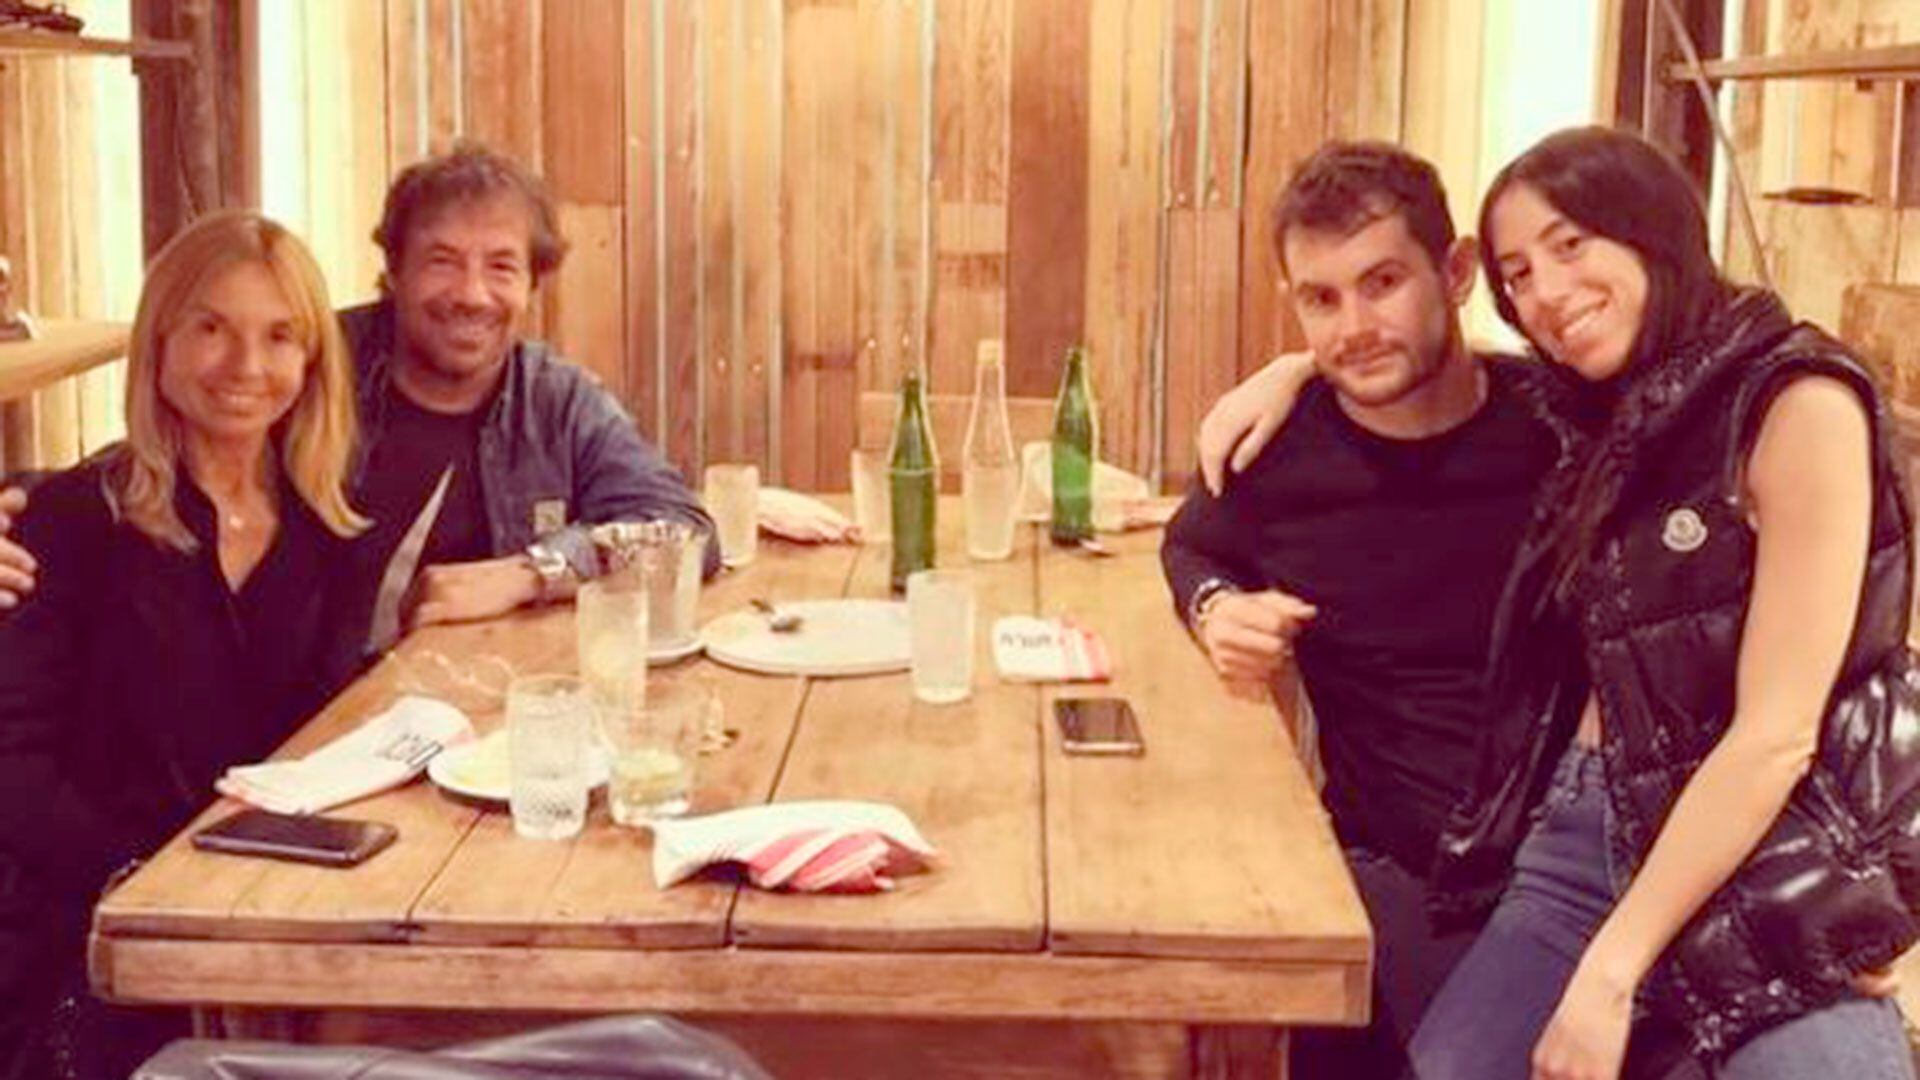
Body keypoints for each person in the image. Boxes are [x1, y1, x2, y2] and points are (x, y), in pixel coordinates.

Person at [1202, 127, 1919, 1079]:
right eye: (1521, 274)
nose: (1548, 293)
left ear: (1652, 226)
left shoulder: (1798, 400)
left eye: (1571, 245)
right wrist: (1300, 370)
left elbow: (1777, 737)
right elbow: (1438, 377)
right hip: (1585, 832)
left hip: (1763, 840)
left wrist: (1612, 975)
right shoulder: (1596, 402)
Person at [1160, 141, 1576, 1077]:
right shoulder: (1275, 451)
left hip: (1569, 872)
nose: (1354, 327)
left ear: (1456, 273)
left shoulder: (1563, 428)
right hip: (1392, 866)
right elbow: (1188, 546)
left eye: (1382, 283)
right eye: (1321, 299)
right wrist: (1215, 607)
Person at [0, 142, 717, 650]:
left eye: (501, 267)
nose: (472, 294)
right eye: (442, 261)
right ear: (393, 269)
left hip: (473, 715)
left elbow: (683, 529)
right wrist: (23, 511)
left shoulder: (556, 400)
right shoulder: (312, 360)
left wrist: (533, 572)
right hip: (296, 721)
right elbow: (166, 455)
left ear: (532, 285)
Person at [0, 211, 369, 1079]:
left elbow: (320, 740)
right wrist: (141, 879)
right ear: (159, 342)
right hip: (89, 931)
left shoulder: (328, 528)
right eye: (211, 328)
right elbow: (10, 763)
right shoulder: (73, 518)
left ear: (312, 362)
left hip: (271, 913)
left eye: (279, 336)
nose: (247, 366)